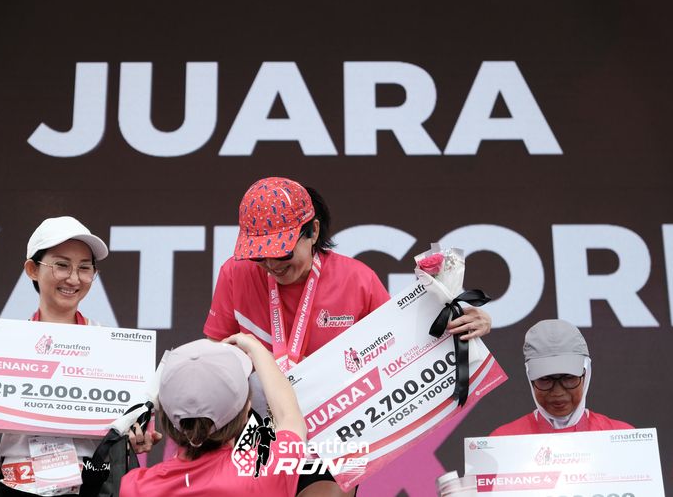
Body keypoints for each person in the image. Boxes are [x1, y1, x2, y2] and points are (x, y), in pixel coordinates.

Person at [204, 177, 492, 496]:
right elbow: (215, 363)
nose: (271, 265)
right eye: (260, 255)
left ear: (313, 232)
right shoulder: (234, 274)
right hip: (255, 437)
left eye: (282, 252)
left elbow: (406, 352)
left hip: (340, 438)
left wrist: (463, 320)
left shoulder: (357, 280)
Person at [0, 216, 161, 496]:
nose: (74, 278)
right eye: (62, 265)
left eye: (85, 268)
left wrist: (137, 437)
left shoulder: (112, 347)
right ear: (32, 269)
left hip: (88, 485)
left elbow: (130, 430)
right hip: (18, 485)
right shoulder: (5, 341)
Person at [120, 335, 306, 496]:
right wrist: (257, 350)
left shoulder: (134, 487)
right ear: (245, 411)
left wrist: (123, 453)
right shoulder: (267, 471)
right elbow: (289, 417)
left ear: (166, 419)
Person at [491, 319, 633, 435]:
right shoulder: (503, 441)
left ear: (586, 374)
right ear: (530, 378)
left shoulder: (622, 438)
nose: (558, 392)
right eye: (545, 379)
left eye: (568, 377)